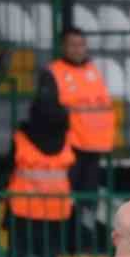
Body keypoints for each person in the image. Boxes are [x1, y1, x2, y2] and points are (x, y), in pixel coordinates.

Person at [0, 89, 76, 257]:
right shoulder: (67, 139)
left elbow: (7, 168)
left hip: (22, 209)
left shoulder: (21, 138)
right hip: (54, 211)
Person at [39, 28, 116, 195]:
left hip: (95, 144)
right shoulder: (53, 72)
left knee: (90, 195)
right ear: (63, 47)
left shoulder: (93, 71)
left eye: (81, 45)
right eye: (72, 45)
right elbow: (48, 109)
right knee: (69, 192)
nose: (77, 49)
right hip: (69, 144)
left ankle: (85, 213)